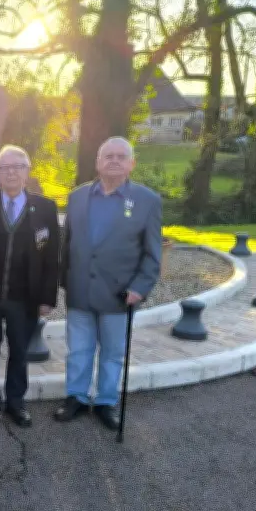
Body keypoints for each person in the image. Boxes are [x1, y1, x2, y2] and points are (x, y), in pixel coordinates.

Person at [54, 137, 162, 429]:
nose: (114, 160)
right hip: (80, 290)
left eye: (120, 156)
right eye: (108, 156)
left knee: (112, 353)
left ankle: (105, 401)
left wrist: (140, 287)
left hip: (119, 294)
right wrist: (64, 280)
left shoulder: (147, 201)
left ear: (131, 163)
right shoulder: (77, 197)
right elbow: (67, 243)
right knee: (78, 349)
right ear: (97, 162)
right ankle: (76, 396)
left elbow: (152, 253)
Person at [0, 145, 60, 427]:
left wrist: (47, 298)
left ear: (27, 171)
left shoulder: (45, 208)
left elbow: (52, 257)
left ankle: (16, 402)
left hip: (25, 298)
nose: (11, 173)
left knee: (19, 352)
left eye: (17, 167)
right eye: (5, 168)